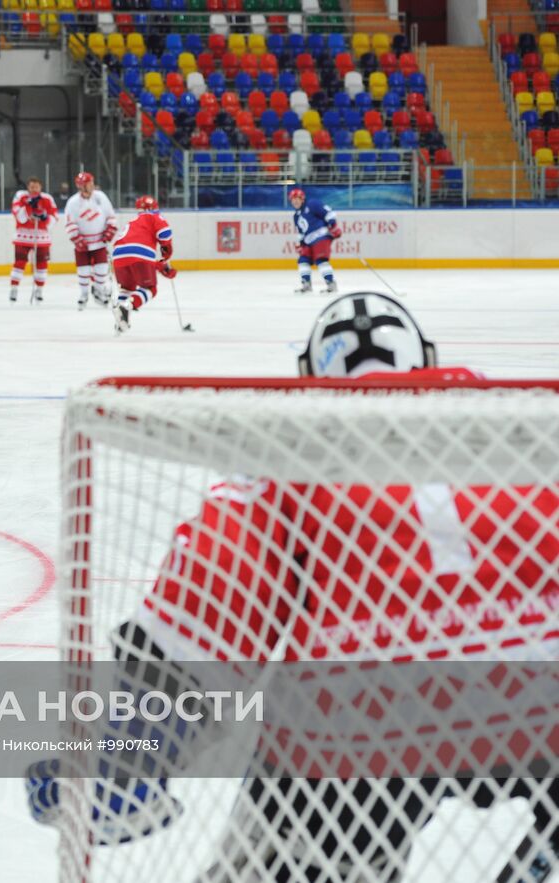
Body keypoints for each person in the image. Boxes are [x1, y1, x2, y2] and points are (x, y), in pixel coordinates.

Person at [28, 292, 559, 881]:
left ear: (311, 374)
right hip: (547, 696)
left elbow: (219, 584)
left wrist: (134, 749)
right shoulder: (526, 416)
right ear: (426, 357)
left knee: (290, 827)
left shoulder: (295, 440)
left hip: (364, 721)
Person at [108, 195, 174, 334]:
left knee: (127, 289)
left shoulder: (132, 222)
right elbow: (165, 233)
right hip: (140, 254)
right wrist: (167, 253)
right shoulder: (154, 217)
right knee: (150, 289)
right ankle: (128, 307)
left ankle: (121, 322)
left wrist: (161, 265)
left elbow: (133, 252)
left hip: (118, 256)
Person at [62, 171, 117, 309]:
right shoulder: (73, 202)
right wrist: (77, 238)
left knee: (102, 269)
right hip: (82, 243)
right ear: (81, 186)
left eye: (92, 182)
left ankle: (98, 291)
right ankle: (84, 293)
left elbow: (110, 215)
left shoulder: (100, 197)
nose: (92, 185)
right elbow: (69, 222)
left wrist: (110, 231)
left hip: (99, 241)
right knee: (84, 270)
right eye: (88, 183)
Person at [9, 176, 58, 304]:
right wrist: (27, 207)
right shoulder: (21, 196)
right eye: (31, 187)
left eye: (36, 187)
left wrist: (44, 218)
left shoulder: (47, 198)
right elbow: (18, 215)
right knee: (19, 262)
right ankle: (14, 288)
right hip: (23, 237)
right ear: (28, 187)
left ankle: (39, 290)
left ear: (40, 187)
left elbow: (54, 216)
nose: (34, 189)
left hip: (41, 237)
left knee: (42, 265)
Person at [289, 186, 340, 295]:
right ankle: (306, 285)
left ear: (302, 198)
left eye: (297, 198)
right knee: (303, 260)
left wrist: (333, 225)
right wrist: (300, 244)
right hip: (308, 241)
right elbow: (301, 232)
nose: (295, 201)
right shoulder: (296, 216)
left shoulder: (312, 204)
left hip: (321, 236)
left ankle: (331, 284)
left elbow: (328, 213)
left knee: (321, 260)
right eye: (293, 200)